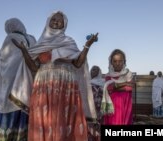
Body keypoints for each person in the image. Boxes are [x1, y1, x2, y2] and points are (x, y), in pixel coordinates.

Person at [11, 10, 98, 141]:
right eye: (53, 19)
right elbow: (34, 68)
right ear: (48, 22)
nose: (56, 21)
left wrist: (87, 45)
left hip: (66, 86)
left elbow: (78, 63)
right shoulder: (40, 44)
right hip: (44, 85)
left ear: (64, 24)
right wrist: (24, 51)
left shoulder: (69, 41)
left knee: (64, 119)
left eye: (59, 20)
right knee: (45, 120)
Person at [0, 18, 36, 141]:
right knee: (22, 109)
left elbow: (4, 62)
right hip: (26, 83)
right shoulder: (31, 38)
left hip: (10, 85)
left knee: (8, 108)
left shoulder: (10, 38)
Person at [101, 49, 133, 125]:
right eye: (115, 61)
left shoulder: (128, 74)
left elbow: (130, 87)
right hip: (113, 104)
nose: (117, 63)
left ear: (124, 62)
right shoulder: (108, 75)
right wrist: (125, 83)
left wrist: (115, 86)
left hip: (125, 103)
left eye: (120, 61)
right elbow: (110, 88)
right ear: (111, 62)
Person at [89, 65, 105, 141]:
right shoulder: (87, 82)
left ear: (99, 72)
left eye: (95, 70)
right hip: (89, 108)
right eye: (92, 69)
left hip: (99, 107)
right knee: (89, 127)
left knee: (98, 126)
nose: (93, 71)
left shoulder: (103, 82)